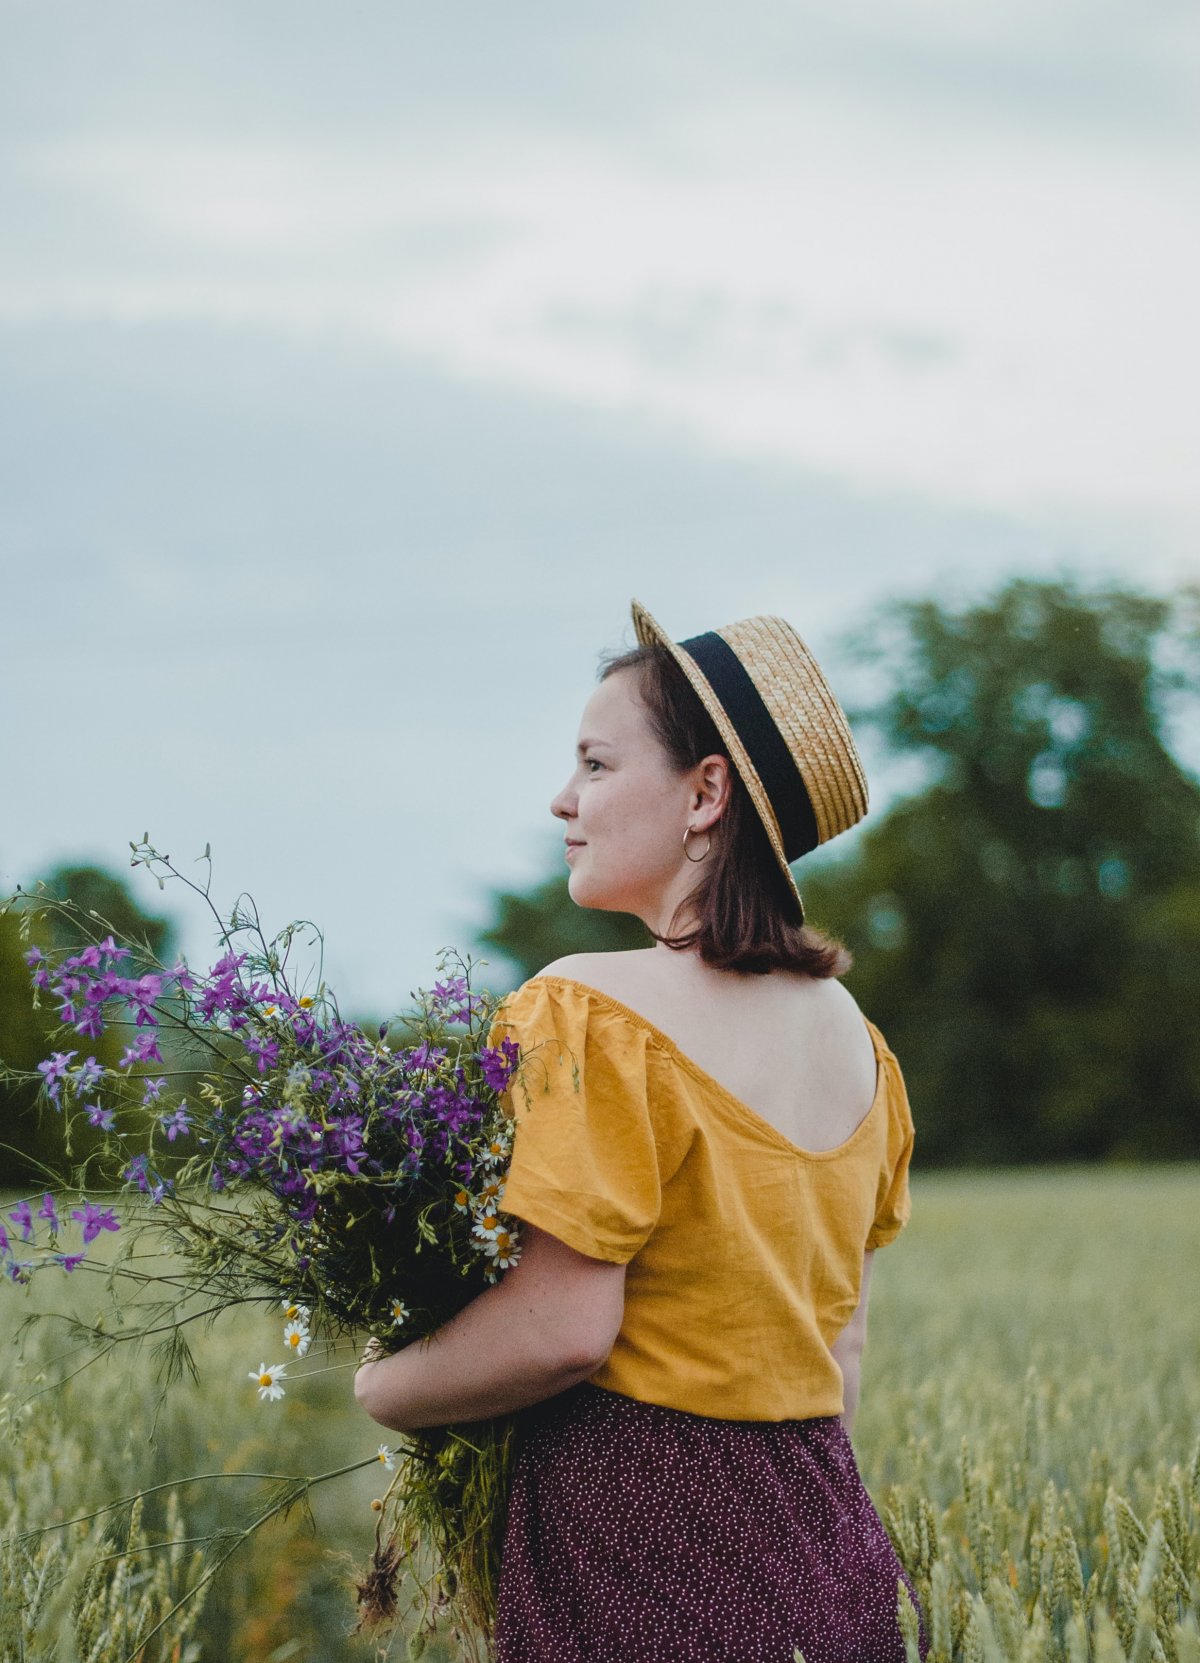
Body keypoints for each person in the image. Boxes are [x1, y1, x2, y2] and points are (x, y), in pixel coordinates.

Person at [355, 598, 929, 1663]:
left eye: (598, 765)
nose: (563, 799)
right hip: (830, 1545)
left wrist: (386, 1384)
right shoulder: (861, 1044)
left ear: (707, 791)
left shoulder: (587, 1012)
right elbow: (839, 1355)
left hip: (642, 1544)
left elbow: (565, 1328)